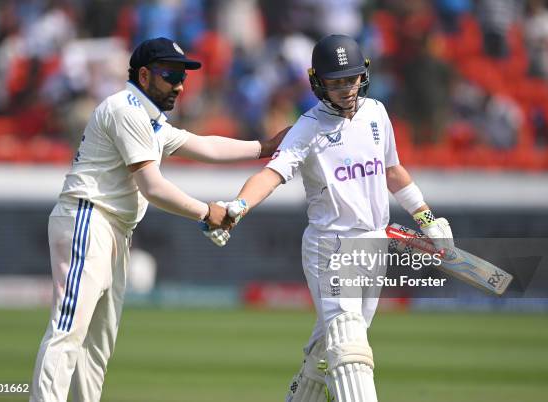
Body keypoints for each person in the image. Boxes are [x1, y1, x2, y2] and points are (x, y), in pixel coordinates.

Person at [29, 37, 287, 402]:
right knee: (70, 330)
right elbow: (152, 186)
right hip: (88, 218)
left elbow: (205, 146)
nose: (180, 85)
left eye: (182, 76)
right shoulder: (126, 109)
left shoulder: (151, 120)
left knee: (97, 345)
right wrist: (206, 211)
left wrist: (264, 147)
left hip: (114, 227)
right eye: (171, 75)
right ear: (145, 74)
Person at [217, 35, 453, 402]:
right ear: (318, 82)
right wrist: (239, 205)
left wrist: (427, 218)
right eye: (336, 81)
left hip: (375, 244)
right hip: (331, 247)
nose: (346, 88)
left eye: (351, 78)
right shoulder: (307, 128)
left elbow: (392, 171)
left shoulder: (377, 112)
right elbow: (271, 174)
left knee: (329, 348)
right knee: (349, 348)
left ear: (364, 76)